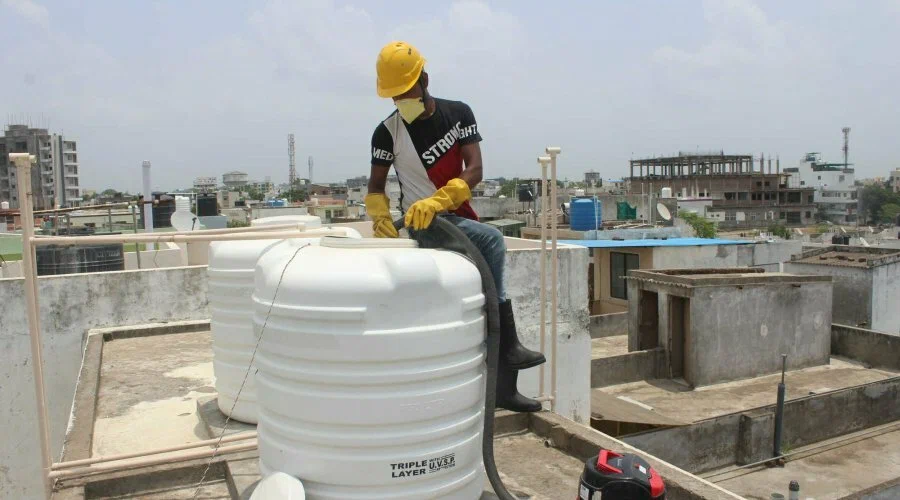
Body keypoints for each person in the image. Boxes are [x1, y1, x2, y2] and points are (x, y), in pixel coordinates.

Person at [364, 41, 545, 413]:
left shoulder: (459, 114)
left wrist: (440, 199)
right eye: (395, 95)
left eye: (407, 91)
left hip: (451, 214)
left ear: (425, 81)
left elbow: (475, 169)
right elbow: (375, 186)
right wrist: (381, 217)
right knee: (492, 242)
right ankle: (509, 348)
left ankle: (504, 377)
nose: (401, 100)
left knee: (487, 282)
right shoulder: (387, 132)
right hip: (422, 222)